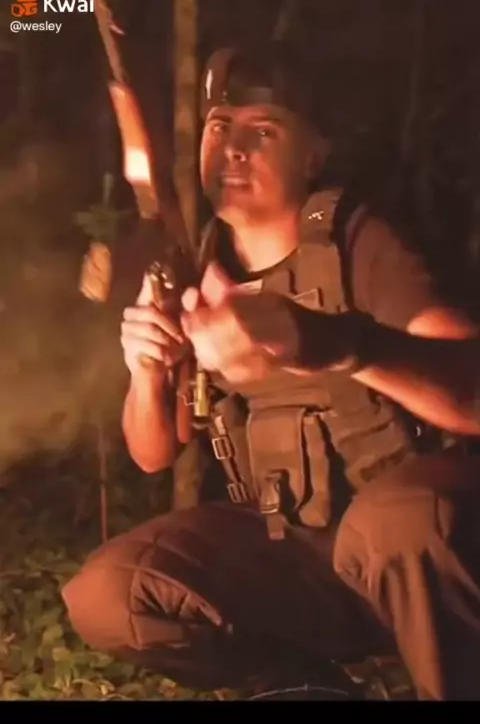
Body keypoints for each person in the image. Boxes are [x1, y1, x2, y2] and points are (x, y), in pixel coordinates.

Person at [62, 42, 480, 700]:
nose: (232, 148)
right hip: (296, 553)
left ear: (312, 154)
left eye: (263, 131)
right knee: (112, 591)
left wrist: (335, 346)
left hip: (418, 553)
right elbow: (153, 452)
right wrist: (146, 368)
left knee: (401, 517)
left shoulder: (358, 242)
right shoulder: (196, 268)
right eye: (219, 127)